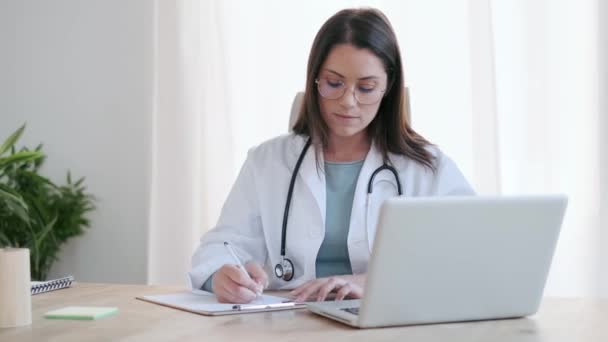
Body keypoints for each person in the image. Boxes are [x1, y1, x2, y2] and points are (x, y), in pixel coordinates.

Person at [188, 7, 474, 304]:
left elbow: (472, 255)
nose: (349, 102)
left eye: (366, 88)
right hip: (291, 322)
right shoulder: (267, 162)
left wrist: (371, 282)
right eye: (334, 83)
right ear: (314, 80)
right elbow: (219, 247)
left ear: (388, 88)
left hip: (388, 321)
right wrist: (223, 276)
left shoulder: (428, 168)